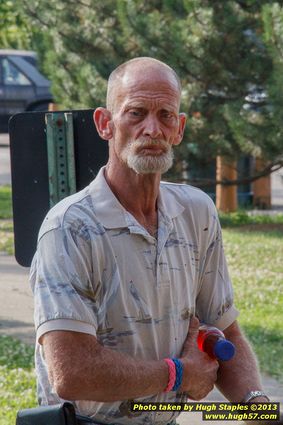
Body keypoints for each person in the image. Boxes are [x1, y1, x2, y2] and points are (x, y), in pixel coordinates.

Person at [30, 57, 269, 425]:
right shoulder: (68, 228)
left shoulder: (196, 213)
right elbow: (71, 372)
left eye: (166, 116)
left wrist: (260, 408)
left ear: (180, 128)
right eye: (136, 113)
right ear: (105, 124)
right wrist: (177, 374)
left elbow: (226, 333)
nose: (152, 129)